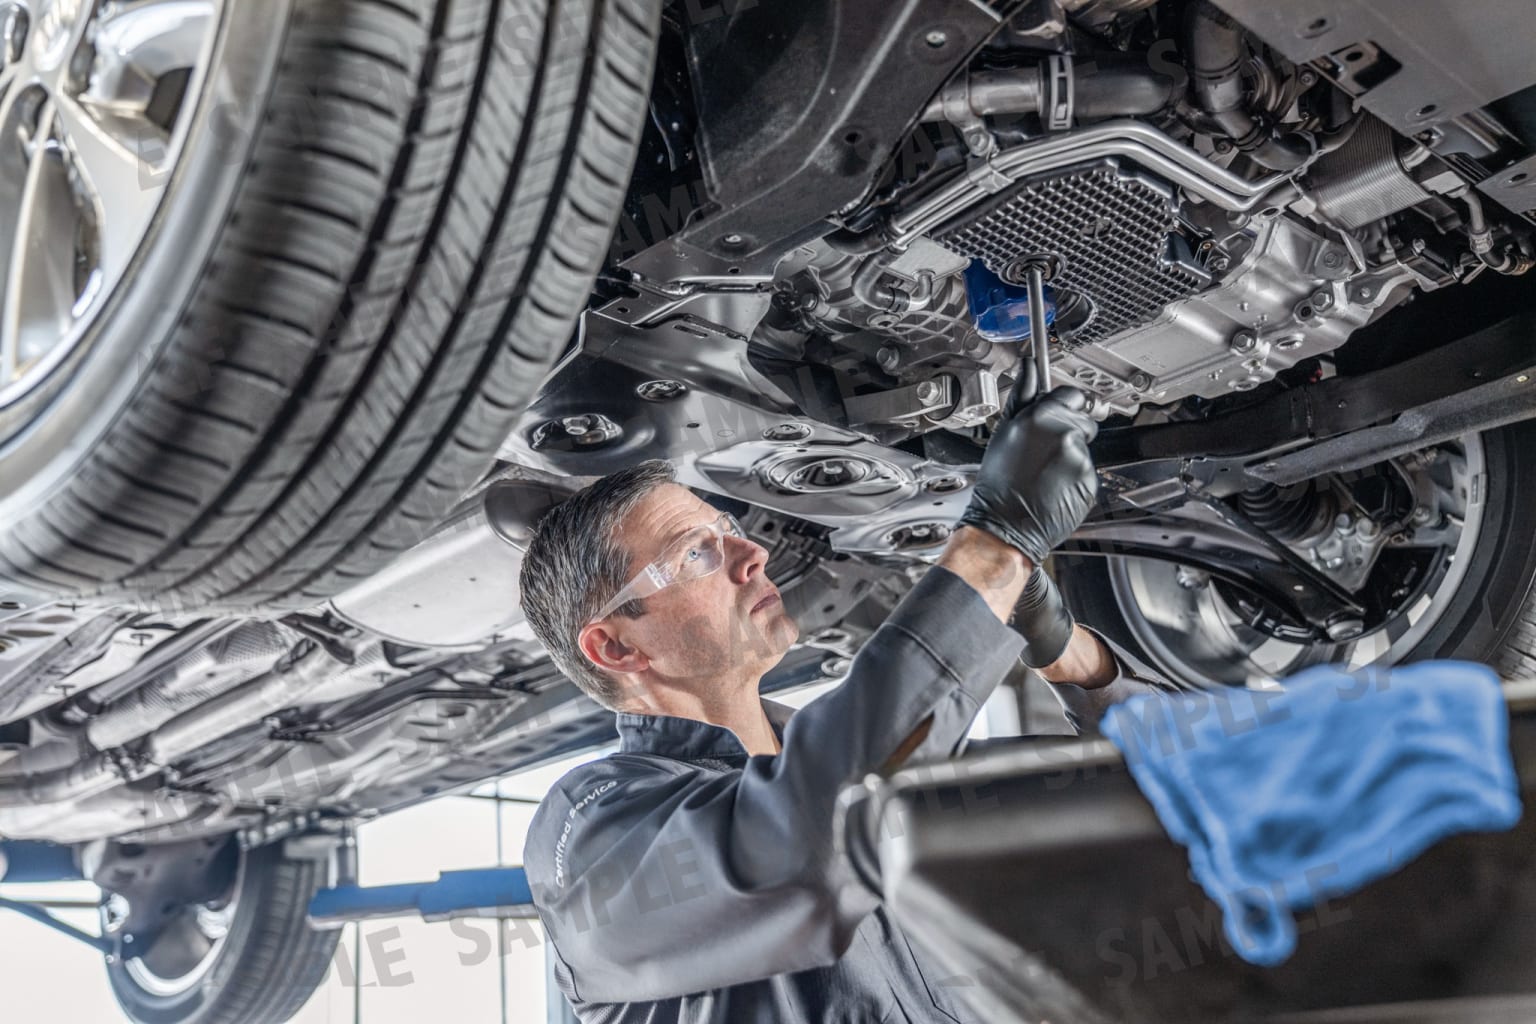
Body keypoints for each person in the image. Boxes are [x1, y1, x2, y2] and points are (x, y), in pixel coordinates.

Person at [517, 380, 1166, 1022]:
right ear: (615, 648)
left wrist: (1060, 644)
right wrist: (997, 546)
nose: (753, 554)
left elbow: (1159, 784)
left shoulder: (889, 768)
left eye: (729, 528)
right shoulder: (589, 838)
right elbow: (809, 843)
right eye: (695, 553)